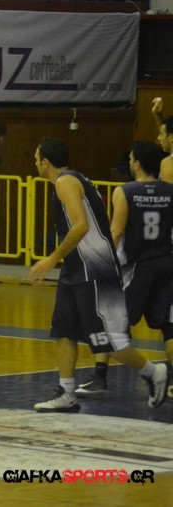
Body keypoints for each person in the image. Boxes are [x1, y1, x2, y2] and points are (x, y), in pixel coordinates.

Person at [29, 137, 168, 412]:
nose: (34, 164)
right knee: (64, 331)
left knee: (109, 341)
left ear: (45, 162)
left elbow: (81, 226)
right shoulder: (72, 179)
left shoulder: (65, 182)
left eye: (36, 159)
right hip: (76, 269)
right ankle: (66, 393)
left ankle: (153, 372)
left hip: (95, 269)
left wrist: (52, 258)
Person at [74, 141, 173, 397]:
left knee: (110, 321)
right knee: (169, 327)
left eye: (130, 159)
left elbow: (116, 231)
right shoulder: (171, 191)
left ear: (137, 164)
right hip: (166, 264)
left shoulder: (125, 191)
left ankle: (102, 377)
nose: (129, 163)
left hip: (137, 267)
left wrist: (105, 265)